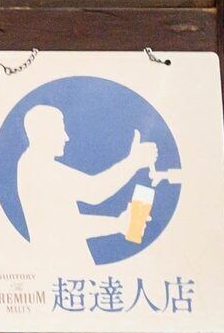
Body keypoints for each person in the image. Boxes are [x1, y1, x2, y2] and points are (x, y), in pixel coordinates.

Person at [10, 102, 164, 263]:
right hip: (61, 265)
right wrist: (133, 162)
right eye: (59, 130)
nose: (66, 137)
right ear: (42, 134)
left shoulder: (34, 164)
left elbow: (67, 225)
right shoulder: (38, 167)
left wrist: (119, 224)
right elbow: (94, 191)